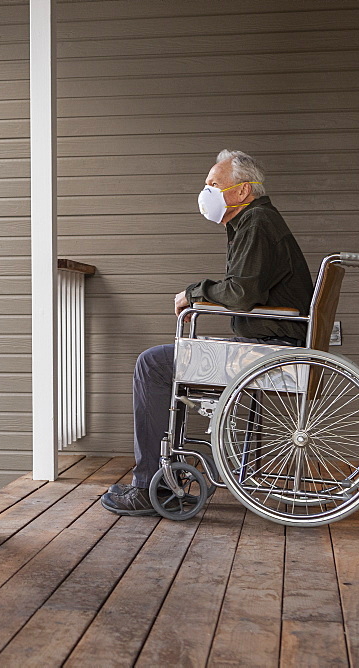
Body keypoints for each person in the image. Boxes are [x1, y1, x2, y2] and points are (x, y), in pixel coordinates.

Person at [101, 149, 315, 516]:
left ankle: (149, 487)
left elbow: (241, 294)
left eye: (214, 185)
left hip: (267, 350)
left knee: (152, 365)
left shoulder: (258, 223)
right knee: (165, 361)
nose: (206, 192)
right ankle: (163, 481)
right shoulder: (253, 222)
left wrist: (193, 293)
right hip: (271, 342)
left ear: (242, 192)